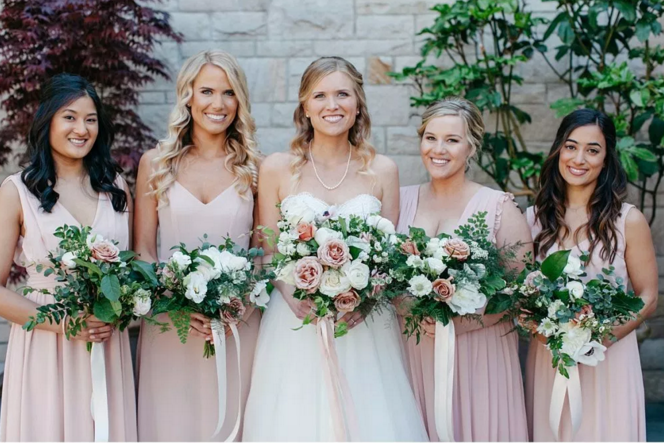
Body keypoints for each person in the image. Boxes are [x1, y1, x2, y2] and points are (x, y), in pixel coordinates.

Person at [242, 56, 428, 441]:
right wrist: (293, 294)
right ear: (305, 107)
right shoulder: (277, 168)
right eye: (320, 96)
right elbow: (268, 249)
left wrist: (364, 299)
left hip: (362, 324)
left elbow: (387, 258)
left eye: (343, 94)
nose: (332, 105)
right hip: (295, 321)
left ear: (358, 104)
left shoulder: (383, 170)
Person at [0, 73, 136, 441]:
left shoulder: (116, 188)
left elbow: (133, 271)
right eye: (70, 117)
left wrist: (121, 306)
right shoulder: (17, 191)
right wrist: (64, 323)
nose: (82, 129)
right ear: (48, 121)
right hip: (46, 343)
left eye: (91, 119)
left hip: (105, 342)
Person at [134, 50, 261, 441]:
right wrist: (172, 302)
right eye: (207, 91)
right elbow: (143, 251)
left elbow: (264, 253)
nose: (218, 104)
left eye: (229, 92)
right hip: (170, 324)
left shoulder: (256, 168)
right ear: (187, 96)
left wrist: (239, 307)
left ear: (239, 100)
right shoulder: (156, 164)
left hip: (238, 324)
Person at [396, 97, 531, 441]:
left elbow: (521, 293)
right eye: (430, 138)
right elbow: (384, 277)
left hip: (478, 354)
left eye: (452, 140)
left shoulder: (499, 207)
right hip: (414, 349)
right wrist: (409, 306)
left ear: (471, 147)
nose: (438, 150)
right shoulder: (399, 200)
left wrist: (462, 323)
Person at [525, 108, 658, 441]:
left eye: (592, 149)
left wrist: (597, 340)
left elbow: (648, 297)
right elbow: (521, 296)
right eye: (571, 146)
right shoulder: (532, 220)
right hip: (551, 359)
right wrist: (545, 333)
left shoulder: (628, 221)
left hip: (609, 360)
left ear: (606, 158)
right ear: (558, 150)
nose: (579, 158)